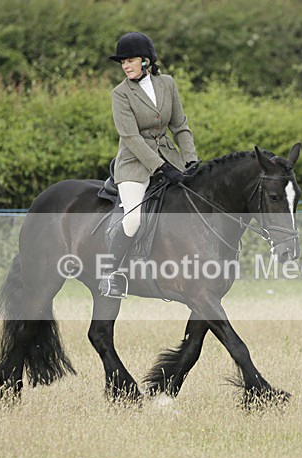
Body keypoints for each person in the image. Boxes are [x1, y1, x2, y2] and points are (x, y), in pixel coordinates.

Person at [99, 31, 198, 298]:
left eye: (130, 60)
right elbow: (130, 137)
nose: (125, 66)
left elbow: (180, 125)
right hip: (134, 165)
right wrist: (159, 167)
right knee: (132, 220)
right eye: (122, 62)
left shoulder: (167, 84)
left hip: (170, 158)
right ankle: (111, 275)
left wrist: (190, 159)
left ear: (146, 61)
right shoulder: (120, 94)